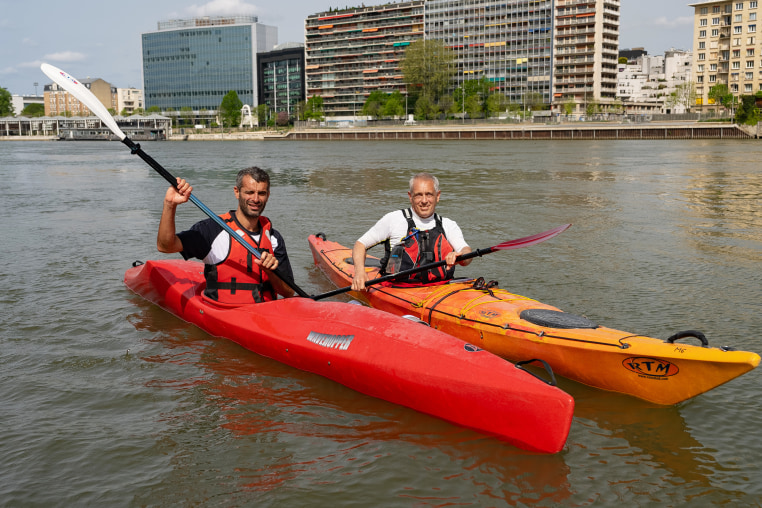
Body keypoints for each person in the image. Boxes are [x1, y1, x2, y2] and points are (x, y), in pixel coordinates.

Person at [157, 166, 295, 303]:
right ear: (237, 192)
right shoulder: (213, 229)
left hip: (264, 315)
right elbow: (166, 246)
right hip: (223, 312)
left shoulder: (273, 238)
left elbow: (288, 292)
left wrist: (271, 272)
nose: (256, 199)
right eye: (249, 192)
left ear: (268, 195)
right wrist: (170, 205)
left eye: (262, 193)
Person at [351, 172, 472, 291]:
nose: (424, 200)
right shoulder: (393, 219)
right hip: (399, 288)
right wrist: (360, 272)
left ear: (438, 196)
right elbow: (360, 244)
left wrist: (460, 256)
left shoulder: (448, 225)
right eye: (419, 195)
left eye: (429, 194)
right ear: (410, 196)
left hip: (441, 287)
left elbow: (466, 254)